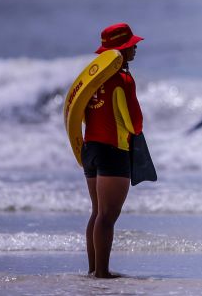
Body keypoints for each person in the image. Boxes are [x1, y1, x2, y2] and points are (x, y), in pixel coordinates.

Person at [82, 23, 145, 278]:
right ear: (122, 49)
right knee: (107, 217)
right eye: (132, 45)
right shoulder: (123, 78)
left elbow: (80, 114)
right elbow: (135, 123)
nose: (136, 48)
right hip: (114, 150)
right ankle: (103, 273)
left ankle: (93, 269)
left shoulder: (92, 78)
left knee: (97, 212)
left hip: (91, 149)